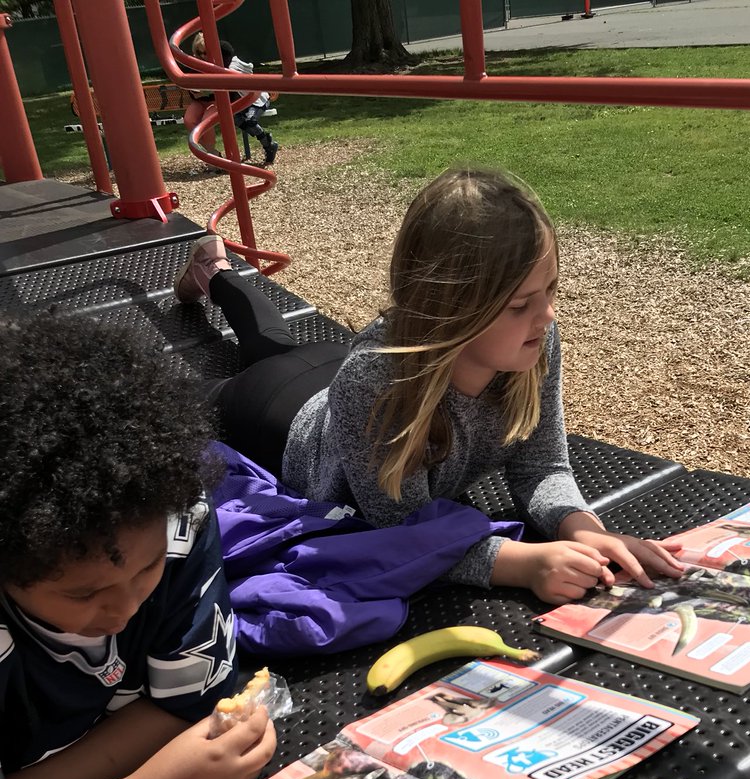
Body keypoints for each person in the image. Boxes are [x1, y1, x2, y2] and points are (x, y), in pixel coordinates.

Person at [174, 166, 684, 605]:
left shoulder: (535, 341)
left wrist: (585, 531)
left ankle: (214, 270)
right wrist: (524, 564)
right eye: (519, 305)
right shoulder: (374, 381)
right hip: (280, 415)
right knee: (187, 399)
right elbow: (400, 529)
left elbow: (542, 465)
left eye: (550, 290)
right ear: (451, 310)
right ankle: (216, 272)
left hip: (348, 390)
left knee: (275, 339)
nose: (546, 315)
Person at [0, 313, 277, 779]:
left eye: (146, 570)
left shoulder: (175, 524)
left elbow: (186, 706)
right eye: (82, 594)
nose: (125, 609)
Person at [185, 33, 278, 166]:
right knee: (191, 120)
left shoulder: (228, 63)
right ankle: (212, 153)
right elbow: (192, 87)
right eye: (201, 53)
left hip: (238, 99)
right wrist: (197, 91)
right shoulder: (196, 63)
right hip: (216, 100)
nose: (204, 56)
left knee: (243, 120)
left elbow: (230, 81)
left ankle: (268, 145)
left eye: (207, 52)